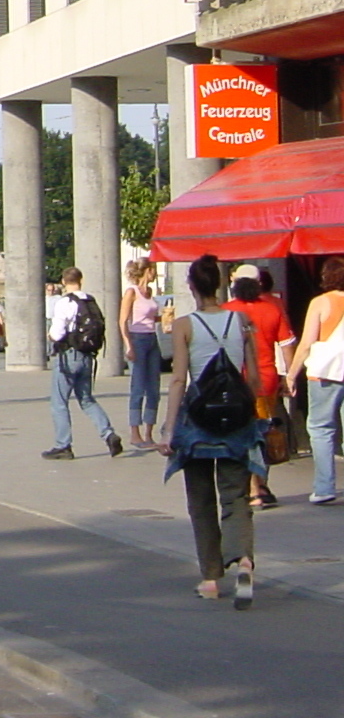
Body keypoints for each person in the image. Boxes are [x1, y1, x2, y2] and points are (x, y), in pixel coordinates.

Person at [159, 254, 264, 607]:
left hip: (198, 422)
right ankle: (244, 560)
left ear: (191, 286)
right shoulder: (242, 320)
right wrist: (253, 411)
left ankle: (211, 577)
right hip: (236, 420)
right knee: (236, 495)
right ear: (220, 284)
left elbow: (177, 380)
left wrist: (169, 428)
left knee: (201, 500)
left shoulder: (185, 326)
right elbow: (254, 378)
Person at [225, 266, 293, 508]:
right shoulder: (273, 308)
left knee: (240, 433)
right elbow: (286, 345)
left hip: (234, 382)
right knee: (262, 431)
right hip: (266, 380)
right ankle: (260, 483)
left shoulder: (227, 311)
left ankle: (252, 487)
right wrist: (290, 376)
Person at [281, 255, 344, 506]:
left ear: (325, 277)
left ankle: (324, 486)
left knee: (320, 428)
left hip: (324, 373)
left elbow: (306, 343)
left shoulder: (319, 303)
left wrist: (291, 375)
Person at [43, 267, 122, 459]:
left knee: (59, 401)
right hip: (88, 356)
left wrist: (50, 337)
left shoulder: (65, 302)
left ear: (63, 281)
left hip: (69, 356)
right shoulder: (90, 301)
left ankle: (64, 445)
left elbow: (57, 333)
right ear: (81, 280)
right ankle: (108, 433)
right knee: (86, 399)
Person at [119, 258, 165, 448]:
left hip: (152, 338)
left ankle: (149, 433)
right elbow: (122, 320)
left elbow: (150, 317)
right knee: (138, 386)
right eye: (153, 270)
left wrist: (165, 318)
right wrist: (128, 344)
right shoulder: (132, 292)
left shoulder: (150, 292)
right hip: (137, 339)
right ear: (147, 270)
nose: (154, 273)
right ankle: (135, 432)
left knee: (154, 388)